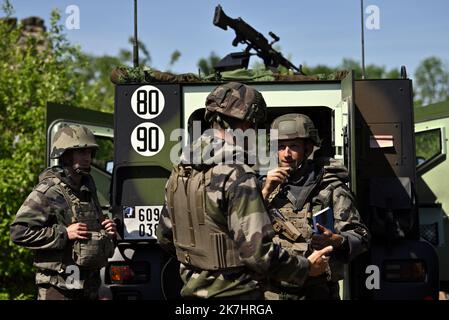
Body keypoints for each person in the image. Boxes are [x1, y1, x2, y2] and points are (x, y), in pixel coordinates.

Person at [156, 82, 333, 299]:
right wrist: (306, 267)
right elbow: (259, 254)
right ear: (245, 127)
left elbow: (165, 237)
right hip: (237, 294)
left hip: (192, 293)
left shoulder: (179, 172)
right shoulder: (238, 174)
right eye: (255, 128)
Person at [261, 113, 370, 300]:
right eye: (281, 147)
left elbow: (361, 237)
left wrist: (336, 240)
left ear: (308, 148)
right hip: (272, 291)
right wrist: (264, 192)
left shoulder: (330, 187)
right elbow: (244, 232)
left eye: (294, 146)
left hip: (318, 292)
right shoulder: (264, 187)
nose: (286, 153)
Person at [10, 125, 117, 300]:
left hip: (88, 286)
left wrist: (107, 230)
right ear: (65, 154)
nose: (87, 158)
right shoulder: (48, 191)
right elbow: (19, 232)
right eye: (81, 152)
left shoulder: (86, 188)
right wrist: (64, 234)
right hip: (58, 288)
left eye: (90, 153)